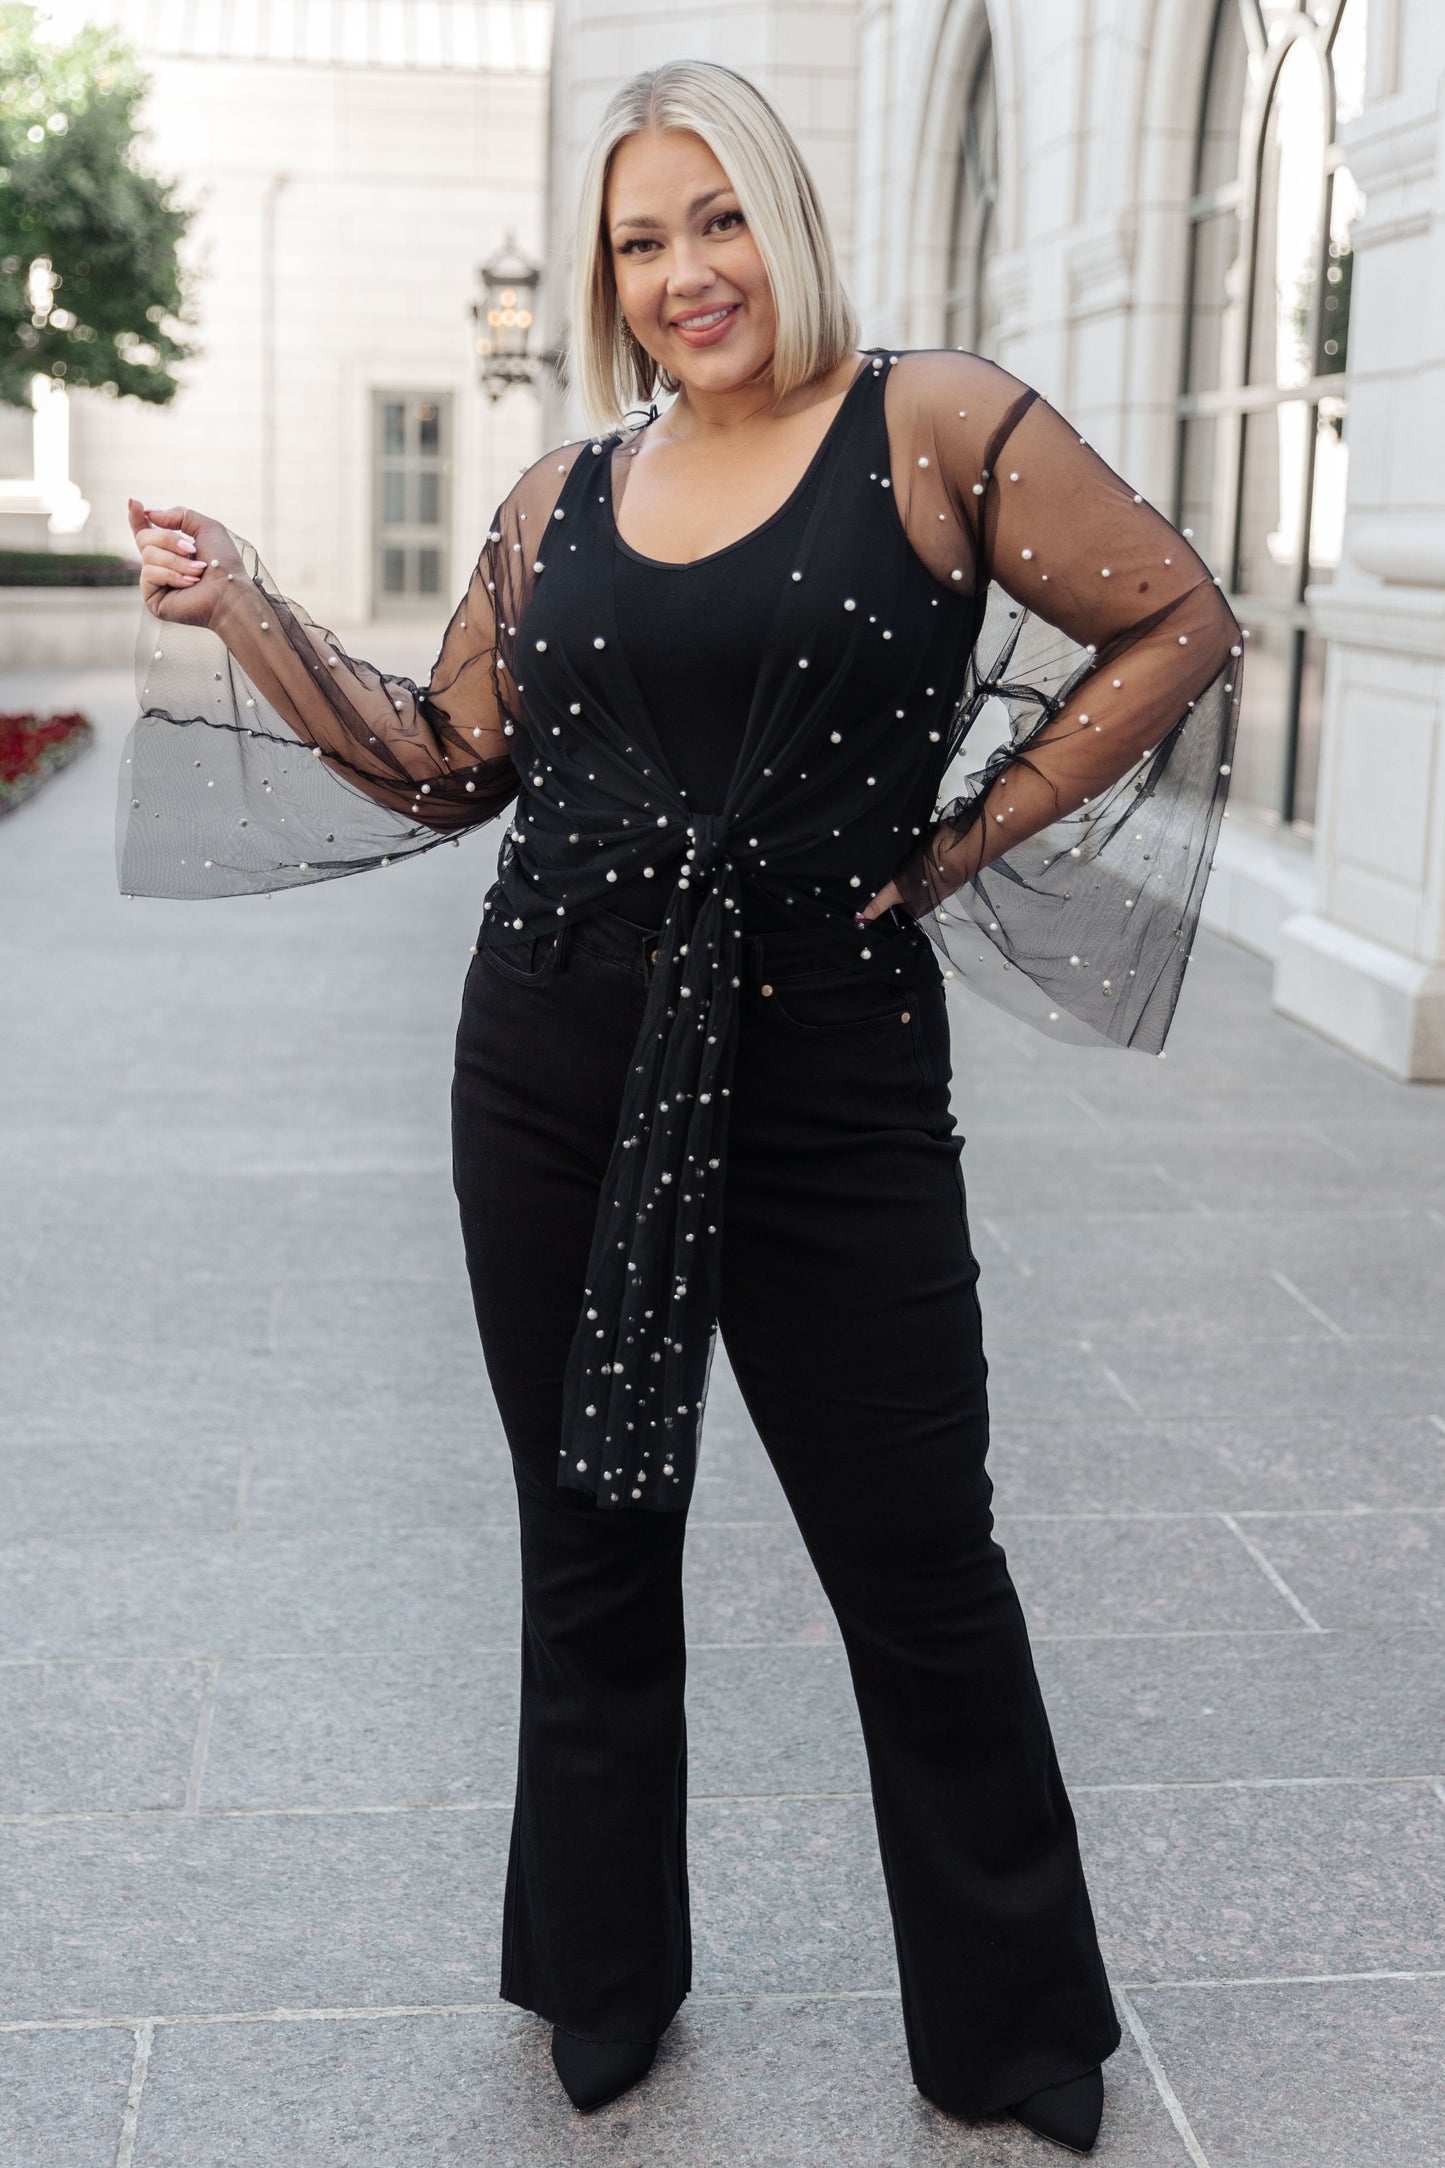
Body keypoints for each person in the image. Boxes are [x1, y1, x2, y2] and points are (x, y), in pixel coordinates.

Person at [122, 58, 1242, 2156]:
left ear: (785, 223)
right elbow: (444, 756)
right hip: (550, 1055)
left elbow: (1174, 614)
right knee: (593, 1535)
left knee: (920, 1553)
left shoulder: (935, 422)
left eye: (716, 219)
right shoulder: (557, 496)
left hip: (827, 1067)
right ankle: (604, 1978)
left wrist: (973, 830)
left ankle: (1012, 2019)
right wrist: (251, 608)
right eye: (642, 239)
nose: (683, 272)